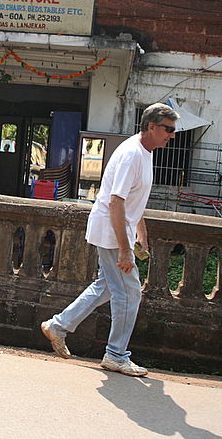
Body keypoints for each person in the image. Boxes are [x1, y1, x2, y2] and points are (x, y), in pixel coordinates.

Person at [41, 103, 179, 377]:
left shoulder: (145, 151)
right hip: (112, 232)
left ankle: (58, 326)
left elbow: (133, 200)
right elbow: (117, 201)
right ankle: (116, 354)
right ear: (151, 126)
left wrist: (141, 232)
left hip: (116, 231)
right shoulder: (132, 154)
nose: (172, 136)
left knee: (106, 286)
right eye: (168, 129)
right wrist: (125, 250)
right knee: (129, 292)